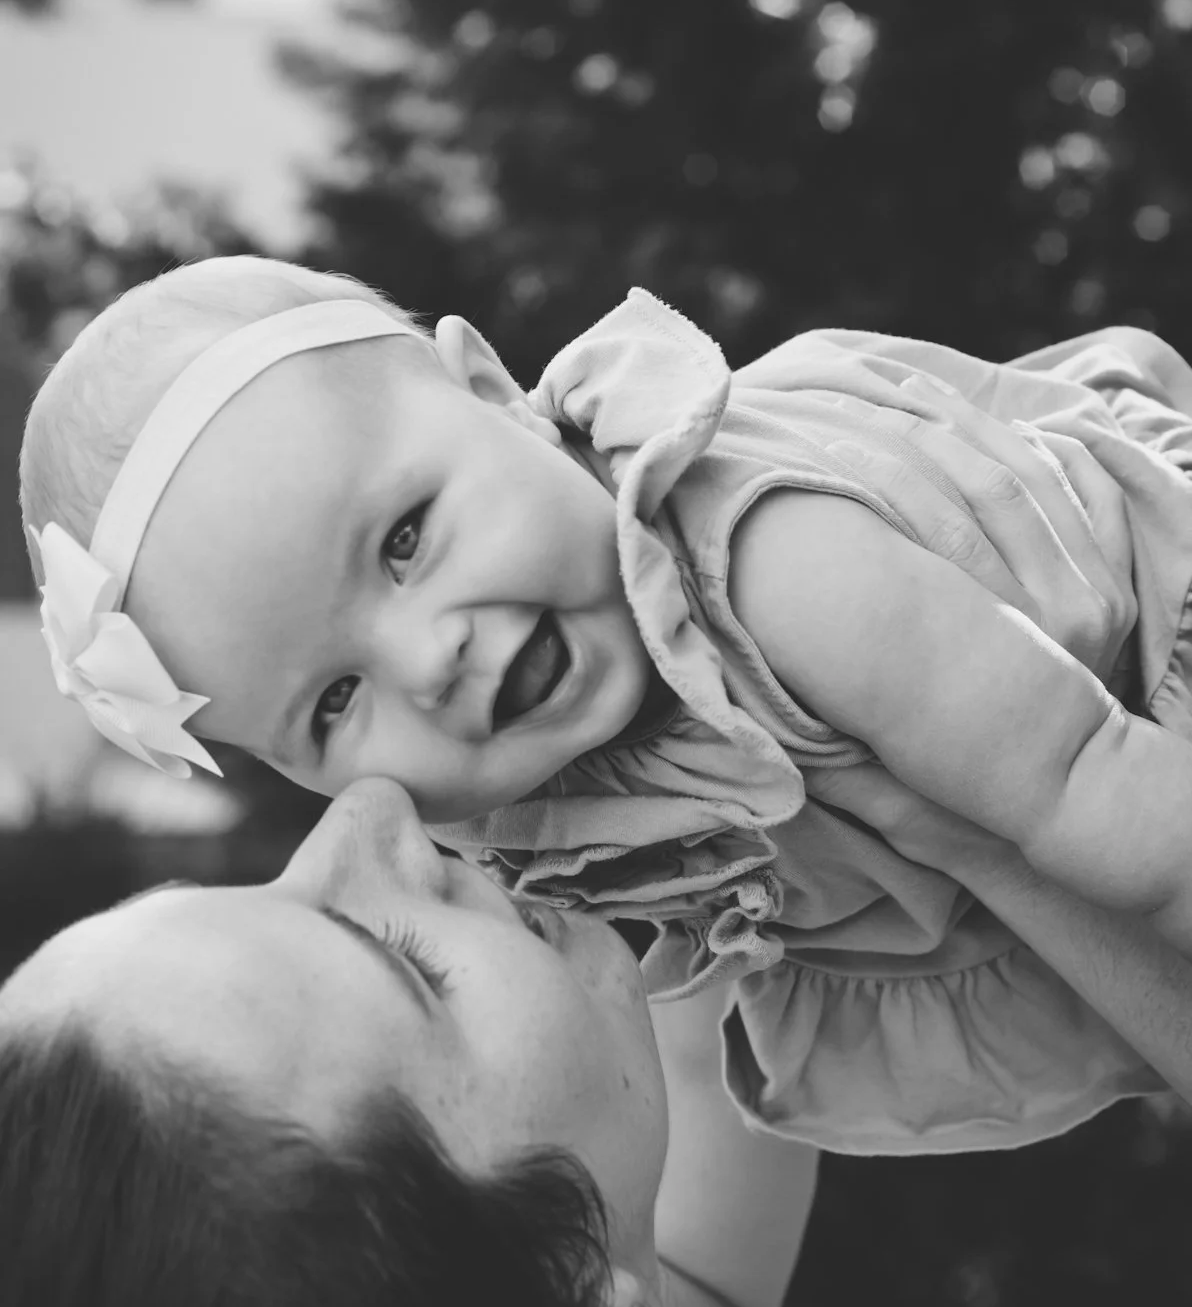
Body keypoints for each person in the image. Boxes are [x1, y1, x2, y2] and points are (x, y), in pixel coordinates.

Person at [16, 254, 1192, 1159]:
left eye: (405, 540)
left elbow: (1091, 786)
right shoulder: (537, 833)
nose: (428, 664)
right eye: (332, 700)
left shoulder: (771, 567)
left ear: (491, 392)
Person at [1, 772, 1189, 1307]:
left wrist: (713, 858)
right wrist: (985, 813)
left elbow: (685, 1291)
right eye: (401, 957)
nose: (365, 807)